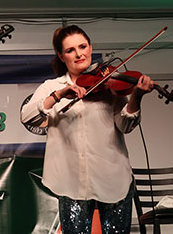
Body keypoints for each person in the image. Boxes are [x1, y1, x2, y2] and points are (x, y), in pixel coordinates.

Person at [20, 25, 154, 233]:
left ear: (91, 47)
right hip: (71, 180)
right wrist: (59, 94)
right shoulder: (51, 87)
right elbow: (27, 117)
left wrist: (136, 96)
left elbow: (125, 125)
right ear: (61, 56)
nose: (79, 54)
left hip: (112, 177)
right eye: (70, 50)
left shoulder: (110, 85)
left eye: (82, 46)